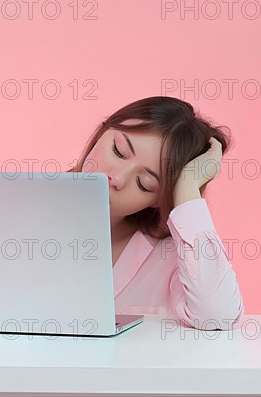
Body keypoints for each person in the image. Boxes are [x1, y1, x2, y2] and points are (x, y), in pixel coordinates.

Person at [67, 96, 244, 330]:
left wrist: (188, 188)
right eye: (118, 151)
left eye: (144, 183)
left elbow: (218, 315)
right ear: (102, 133)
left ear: (157, 202)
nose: (117, 178)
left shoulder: (170, 255)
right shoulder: (22, 210)